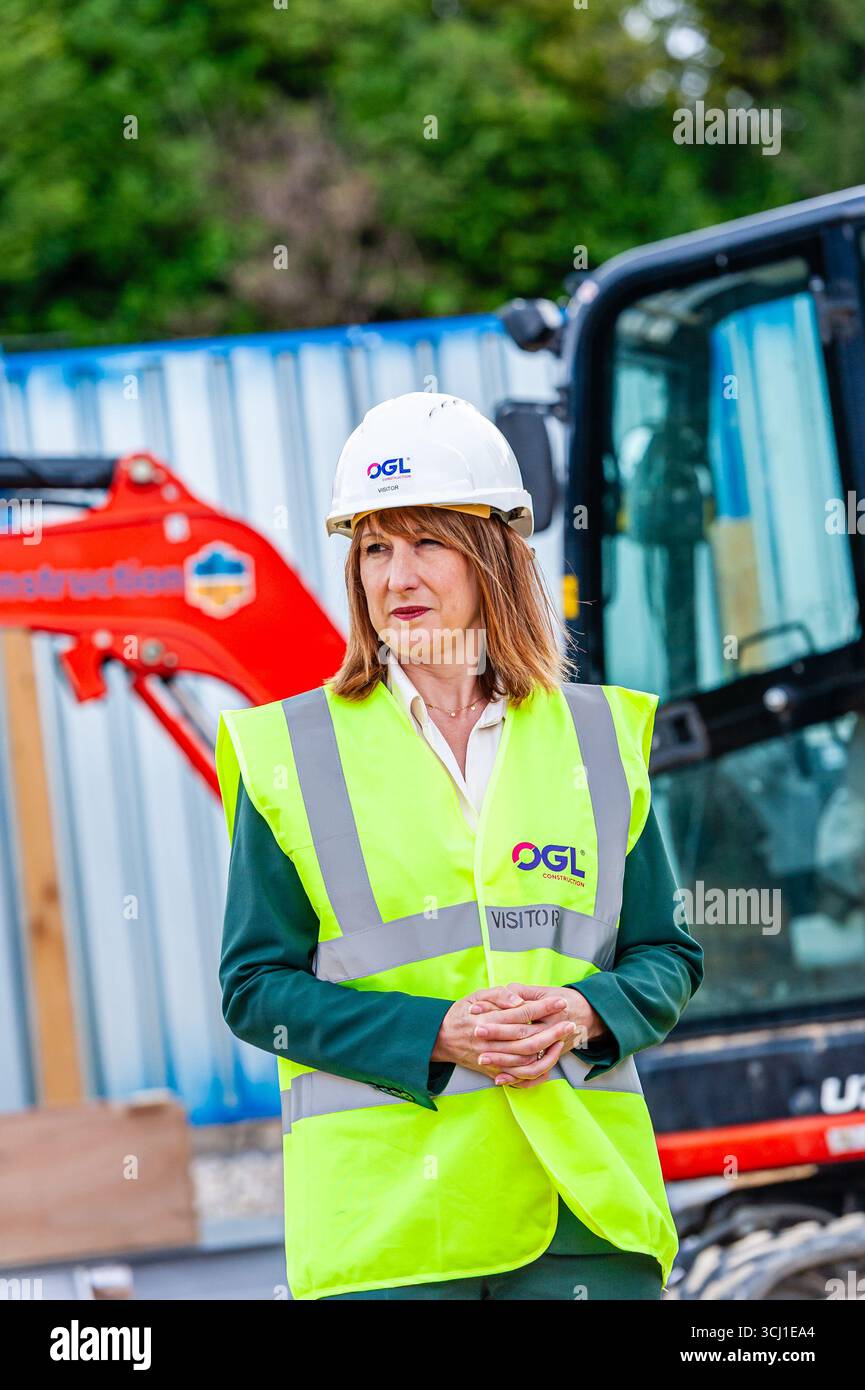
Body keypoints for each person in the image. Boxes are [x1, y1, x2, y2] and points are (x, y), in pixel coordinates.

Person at [215, 391, 704, 1301]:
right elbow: (254, 991)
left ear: (495, 556)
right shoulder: (289, 751)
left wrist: (584, 1012)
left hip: (583, 1221)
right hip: (395, 1241)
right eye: (373, 547)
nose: (395, 577)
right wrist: (433, 1032)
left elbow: (665, 955)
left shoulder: (597, 737)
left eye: (426, 542)